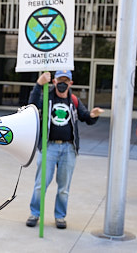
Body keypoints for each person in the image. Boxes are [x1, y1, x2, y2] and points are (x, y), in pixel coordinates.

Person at [26, 70, 104, 229]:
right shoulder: (47, 97)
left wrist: (93, 115)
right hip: (49, 147)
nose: (62, 83)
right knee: (41, 184)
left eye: (65, 81)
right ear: (54, 82)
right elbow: (31, 106)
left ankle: (60, 216)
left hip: (68, 148)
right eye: (59, 80)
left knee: (64, 188)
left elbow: (85, 117)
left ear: (71, 83)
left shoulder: (73, 100)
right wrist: (39, 85)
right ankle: (35, 213)